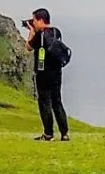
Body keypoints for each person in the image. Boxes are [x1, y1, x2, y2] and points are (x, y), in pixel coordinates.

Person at [24, 8, 70, 142]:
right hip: (57, 72)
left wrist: (32, 33)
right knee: (57, 102)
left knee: (45, 103)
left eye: (34, 20)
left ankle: (48, 133)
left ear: (40, 20)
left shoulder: (40, 35)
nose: (33, 23)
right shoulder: (56, 32)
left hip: (43, 72)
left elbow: (28, 47)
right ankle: (64, 133)